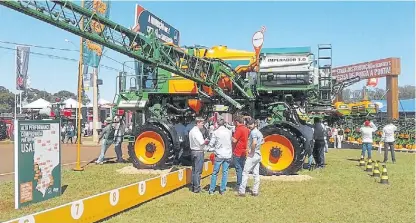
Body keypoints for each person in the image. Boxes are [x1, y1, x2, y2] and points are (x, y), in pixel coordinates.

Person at [207, 115, 233, 195]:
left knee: (215, 172)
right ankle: (222, 189)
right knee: (225, 172)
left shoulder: (216, 132)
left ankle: (212, 189)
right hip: (227, 154)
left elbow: (211, 144)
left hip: (219, 154)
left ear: (217, 124)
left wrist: (209, 148)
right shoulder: (229, 132)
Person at [238, 119, 264, 197]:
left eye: (250, 124)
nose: (249, 126)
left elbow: (254, 142)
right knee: (256, 174)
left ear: (254, 124)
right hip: (258, 154)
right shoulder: (259, 132)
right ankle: (255, 191)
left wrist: (251, 151)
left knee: (245, 173)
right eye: (248, 124)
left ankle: (242, 191)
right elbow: (263, 141)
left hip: (253, 155)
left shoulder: (253, 132)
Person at [188, 116, 209, 193]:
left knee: (194, 170)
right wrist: (206, 140)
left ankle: (193, 185)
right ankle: (197, 188)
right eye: (202, 123)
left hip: (193, 151)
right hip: (198, 151)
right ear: (198, 123)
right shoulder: (197, 132)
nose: (202, 125)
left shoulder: (191, 131)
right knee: (198, 171)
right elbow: (202, 142)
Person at [231, 115, 249, 191]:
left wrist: (229, 135)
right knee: (242, 168)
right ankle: (243, 183)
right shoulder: (246, 129)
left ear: (237, 122)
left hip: (238, 151)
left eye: (234, 122)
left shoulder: (239, 129)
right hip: (244, 151)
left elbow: (234, 140)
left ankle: (239, 185)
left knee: (238, 169)